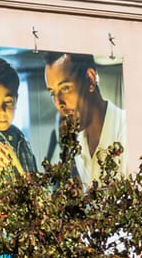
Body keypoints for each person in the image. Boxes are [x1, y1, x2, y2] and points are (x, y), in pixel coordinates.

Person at [43, 52, 126, 184]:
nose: (59, 103)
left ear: (90, 80)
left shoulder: (126, 130)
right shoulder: (79, 145)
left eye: (65, 88)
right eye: (53, 93)